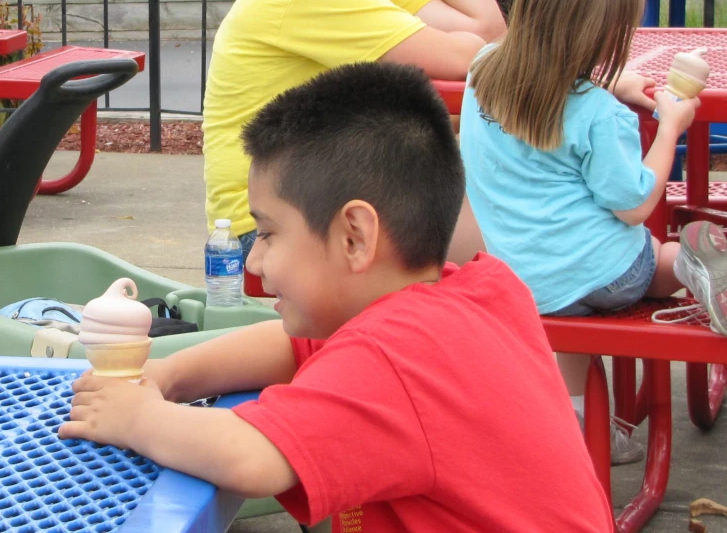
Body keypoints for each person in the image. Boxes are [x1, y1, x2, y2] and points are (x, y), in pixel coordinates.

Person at [60, 62, 613, 533]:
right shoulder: (475, 294)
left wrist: (136, 417)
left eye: (270, 234)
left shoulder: (395, 356)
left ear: (354, 237)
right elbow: (288, 345)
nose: (253, 261)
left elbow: (249, 456)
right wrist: (168, 376)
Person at [457, 0, 714, 466]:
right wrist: (671, 128)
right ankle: (697, 264)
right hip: (611, 275)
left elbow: (547, 81)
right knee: (654, 257)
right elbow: (633, 203)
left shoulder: (481, 71)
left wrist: (610, 83)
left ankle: (581, 428)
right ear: (603, 39)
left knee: (573, 313)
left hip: (525, 281)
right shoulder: (599, 115)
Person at [203, 0, 506, 262]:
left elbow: (490, 35)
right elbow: (468, 58)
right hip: (270, 231)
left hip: (321, 205)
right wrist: (464, 46)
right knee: (510, 240)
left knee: (503, 228)